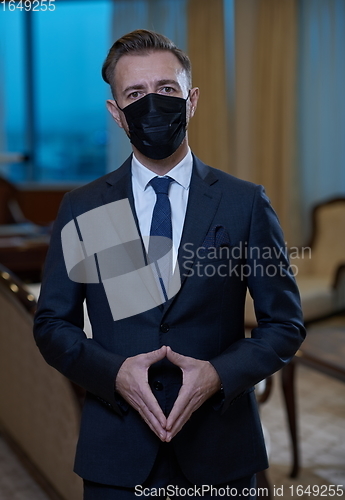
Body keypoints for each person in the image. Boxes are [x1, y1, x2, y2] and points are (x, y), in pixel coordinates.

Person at [34, 30, 305, 499]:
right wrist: (113, 374)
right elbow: (53, 324)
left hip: (221, 448)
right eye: (135, 94)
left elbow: (284, 324)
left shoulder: (244, 203)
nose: (151, 105)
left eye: (166, 90)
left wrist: (219, 375)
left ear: (191, 99)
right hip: (116, 449)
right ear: (116, 113)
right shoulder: (85, 207)